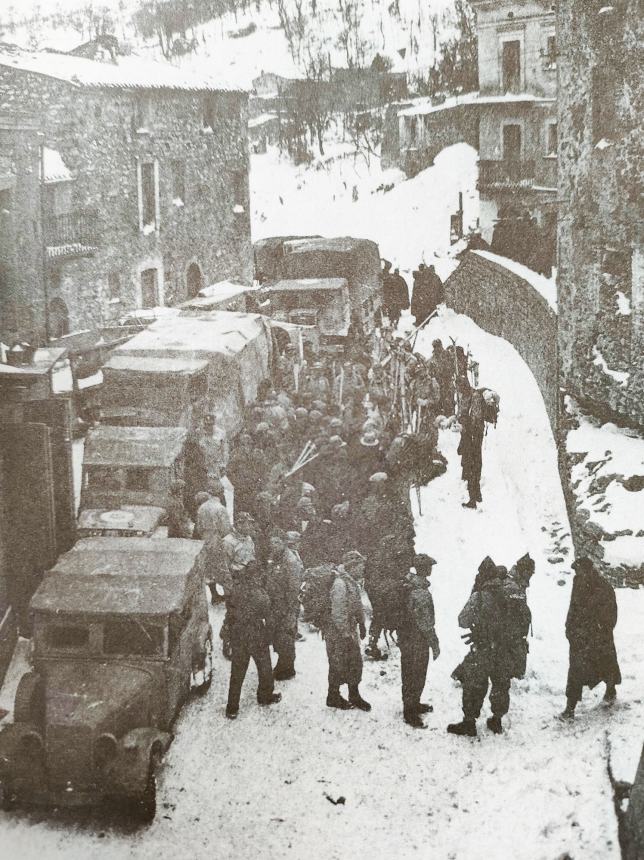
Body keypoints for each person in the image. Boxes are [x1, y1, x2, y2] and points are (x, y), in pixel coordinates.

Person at [447, 557, 514, 737]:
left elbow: (462, 620)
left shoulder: (479, 596)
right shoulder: (510, 592)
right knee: (501, 684)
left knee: (474, 684)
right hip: (504, 649)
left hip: (483, 649)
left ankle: (469, 722)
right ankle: (496, 720)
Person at [559, 557, 621, 721]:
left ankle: (610, 690)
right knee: (576, 672)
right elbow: (573, 608)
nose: (577, 573)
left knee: (606, 664)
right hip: (580, 638)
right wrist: (569, 627)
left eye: (579, 570)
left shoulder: (603, 586)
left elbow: (611, 612)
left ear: (588, 570)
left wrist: (602, 629)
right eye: (576, 571)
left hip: (599, 638)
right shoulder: (578, 582)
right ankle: (570, 708)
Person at [225, 561, 282, 719]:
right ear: (257, 576)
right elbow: (269, 619)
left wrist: (229, 635)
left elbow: (229, 615)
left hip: (238, 635)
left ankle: (232, 707)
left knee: (237, 672)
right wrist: (269, 638)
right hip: (257, 636)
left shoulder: (235, 590)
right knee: (264, 668)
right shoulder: (260, 595)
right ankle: (265, 696)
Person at [323, 551, 371, 712]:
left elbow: (357, 605)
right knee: (337, 663)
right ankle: (333, 696)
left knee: (355, 662)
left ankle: (354, 694)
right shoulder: (340, 584)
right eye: (360, 567)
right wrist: (345, 634)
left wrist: (362, 624)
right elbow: (337, 613)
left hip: (349, 628)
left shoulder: (352, 582)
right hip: (338, 631)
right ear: (352, 567)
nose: (362, 570)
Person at [398, 554, 440, 729]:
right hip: (417, 638)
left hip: (406, 636)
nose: (431, 569)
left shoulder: (409, 584)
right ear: (425, 569)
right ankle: (410, 711)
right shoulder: (420, 592)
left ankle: (413, 704)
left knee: (409, 671)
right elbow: (425, 623)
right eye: (430, 566)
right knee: (416, 673)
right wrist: (434, 643)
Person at [265, 529, 303, 681]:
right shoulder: (275, 557)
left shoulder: (290, 561)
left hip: (286, 606)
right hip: (275, 604)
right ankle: (283, 664)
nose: (273, 545)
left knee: (286, 636)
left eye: (277, 542)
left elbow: (293, 588)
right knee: (278, 636)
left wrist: (291, 611)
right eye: (272, 542)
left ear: (284, 543)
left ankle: (287, 668)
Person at [194, 487, 232, 602]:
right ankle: (229, 596)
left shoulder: (202, 508)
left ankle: (214, 595)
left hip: (205, 540)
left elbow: (199, 527)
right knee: (224, 568)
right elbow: (226, 529)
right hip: (217, 539)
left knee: (209, 569)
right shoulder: (220, 508)